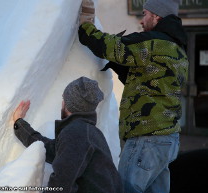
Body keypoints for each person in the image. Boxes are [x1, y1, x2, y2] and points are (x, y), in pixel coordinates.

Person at [78, 0, 189, 192]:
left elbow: (111, 45)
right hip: (167, 139)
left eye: (145, 14)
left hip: (147, 137)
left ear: (156, 16)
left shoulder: (151, 43)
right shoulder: (178, 50)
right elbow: (152, 80)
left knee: (125, 188)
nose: (142, 20)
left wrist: (86, 26)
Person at [12, 77, 123, 193]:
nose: (62, 102)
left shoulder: (76, 133)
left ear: (68, 104)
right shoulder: (89, 133)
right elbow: (52, 150)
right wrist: (19, 124)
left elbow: (61, 185)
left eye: (63, 98)